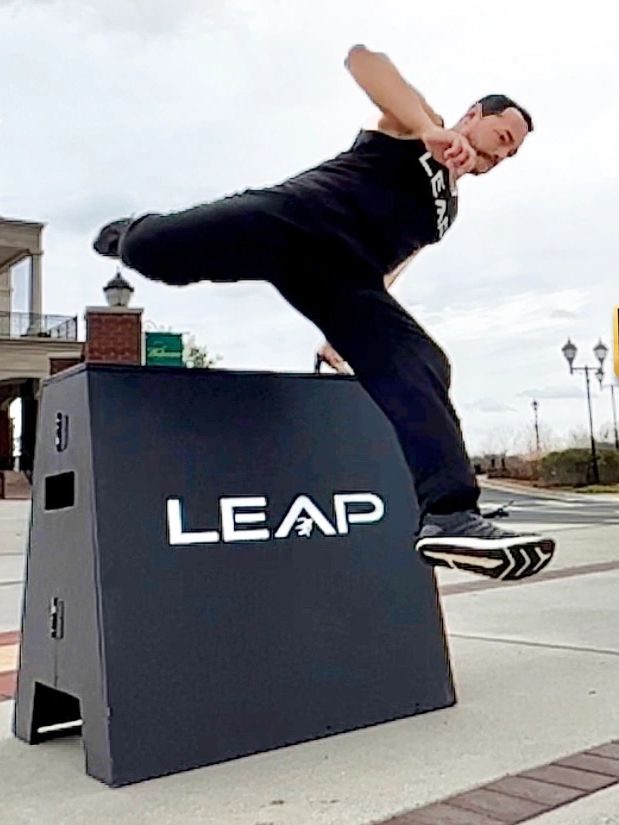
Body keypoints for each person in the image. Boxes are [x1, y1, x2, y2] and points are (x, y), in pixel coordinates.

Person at [93, 44, 555, 581]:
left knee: (421, 360)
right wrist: (428, 129)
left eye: (510, 155)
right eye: (502, 137)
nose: (501, 155)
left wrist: (349, 331)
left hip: (347, 280)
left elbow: (397, 262)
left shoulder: (447, 211)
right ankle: (129, 233)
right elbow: (363, 60)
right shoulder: (417, 125)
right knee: (154, 251)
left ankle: (450, 516)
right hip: (294, 219)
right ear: (473, 116)